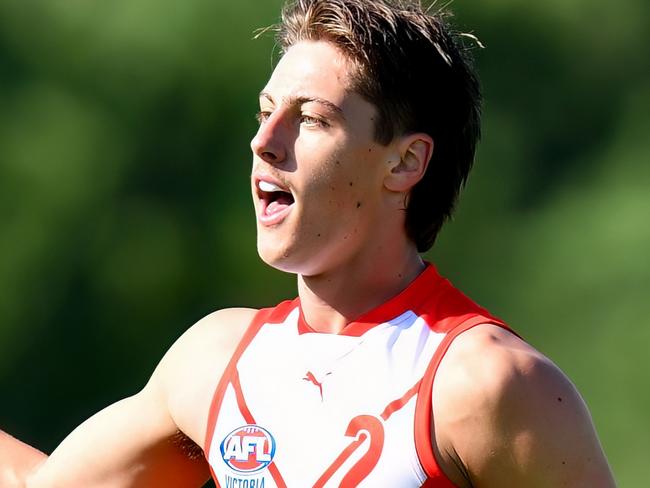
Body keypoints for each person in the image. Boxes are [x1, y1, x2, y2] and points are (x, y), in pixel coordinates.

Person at [1, 0, 616, 486]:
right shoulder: (215, 361)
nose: (264, 142)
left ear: (405, 163)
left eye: (312, 118)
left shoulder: (487, 383)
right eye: (265, 112)